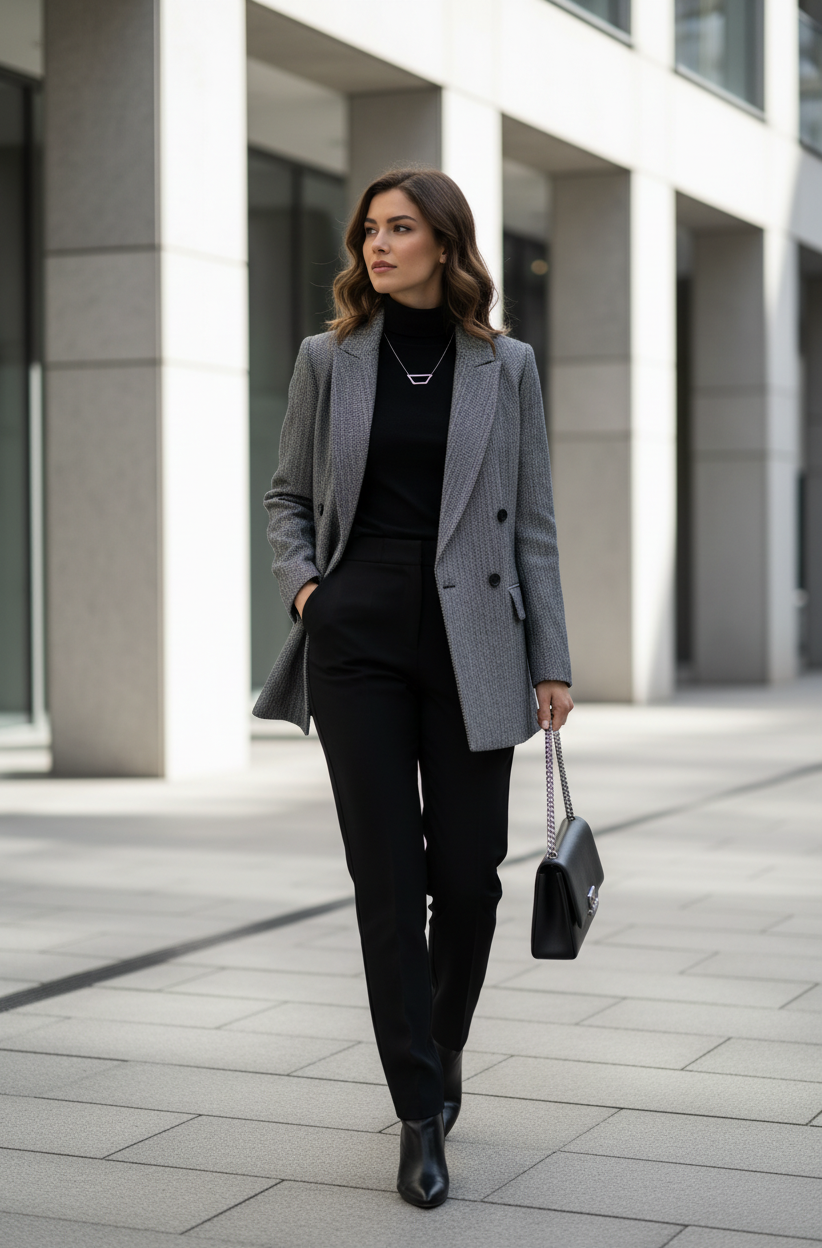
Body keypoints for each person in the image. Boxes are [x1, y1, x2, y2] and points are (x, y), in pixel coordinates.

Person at [253, 167, 573, 1208]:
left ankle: (436, 1054)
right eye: (369, 230)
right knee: (390, 884)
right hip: (357, 640)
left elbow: (532, 520)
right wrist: (308, 592)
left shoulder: (505, 365)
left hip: (474, 637)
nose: (377, 246)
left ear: (445, 244)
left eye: (399, 229)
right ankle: (418, 1111)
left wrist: (552, 658)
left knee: (470, 880)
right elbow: (288, 494)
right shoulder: (328, 359)